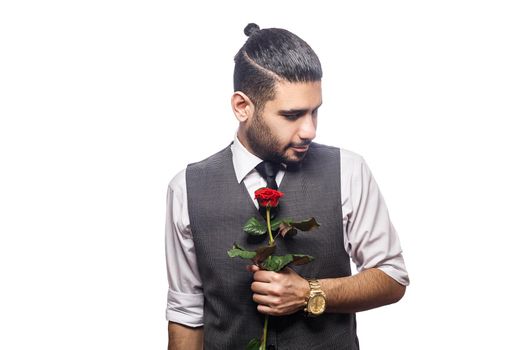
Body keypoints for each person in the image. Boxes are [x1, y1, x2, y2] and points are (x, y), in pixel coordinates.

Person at [165, 23, 409, 350]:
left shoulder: (349, 171)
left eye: (314, 112)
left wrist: (310, 292)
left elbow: (392, 278)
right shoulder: (186, 188)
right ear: (242, 107)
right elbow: (186, 313)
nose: (309, 130)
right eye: (292, 115)